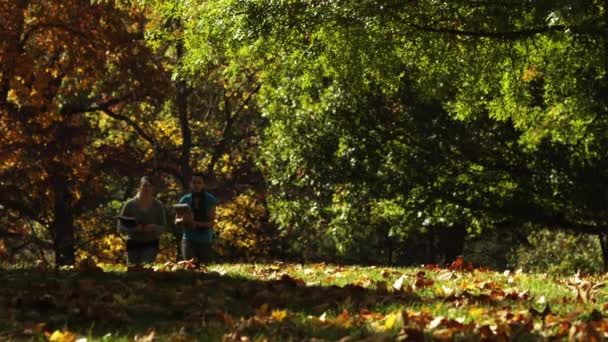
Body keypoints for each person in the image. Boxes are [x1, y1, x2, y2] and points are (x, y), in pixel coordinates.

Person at [117, 175, 167, 265]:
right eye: (144, 185)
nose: (147, 188)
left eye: (149, 186)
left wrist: (154, 227)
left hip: (150, 243)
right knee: (133, 271)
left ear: (153, 188)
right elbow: (120, 227)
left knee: (146, 270)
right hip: (133, 242)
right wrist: (134, 229)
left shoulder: (158, 205)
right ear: (139, 187)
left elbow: (163, 228)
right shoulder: (130, 204)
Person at [175, 172, 218, 264]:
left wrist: (195, 223)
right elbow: (176, 221)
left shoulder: (211, 200)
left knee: (204, 269)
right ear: (190, 184)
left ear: (203, 185)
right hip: (188, 239)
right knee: (189, 267)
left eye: (199, 183)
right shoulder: (185, 199)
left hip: (205, 240)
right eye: (194, 182)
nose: (196, 185)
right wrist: (183, 220)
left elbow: (211, 223)